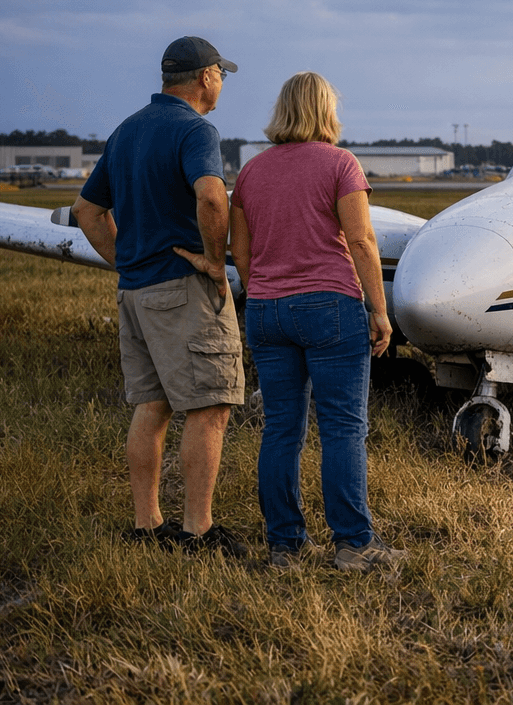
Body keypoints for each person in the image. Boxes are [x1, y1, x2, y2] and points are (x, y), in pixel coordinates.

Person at [72, 36, 248, 556]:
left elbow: (86, 209)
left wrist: (126, 260)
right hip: (182, 288)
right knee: (210, 404)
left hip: (135, 291)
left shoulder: (127, 130)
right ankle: (197, 530)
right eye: (221, 74)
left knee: (152, 405)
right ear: (206, 77)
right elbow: (212, 194)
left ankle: (147, 525)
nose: (221, 84)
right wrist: (216, 263)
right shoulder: (196, 129)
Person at [229, 72, 404, 572]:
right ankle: (353, 544)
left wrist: (264, 287)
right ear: (326, 111)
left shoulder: (251, 172)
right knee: (343, 428)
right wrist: (379, 309)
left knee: (281, 429)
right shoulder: (340, 163)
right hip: (330, 306)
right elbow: (362, 240)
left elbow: (239, 251)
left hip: (266, 309)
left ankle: (284, 546)